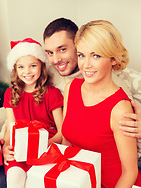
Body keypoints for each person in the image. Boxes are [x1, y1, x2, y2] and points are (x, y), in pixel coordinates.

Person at [17, 20, 141, 188]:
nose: (86, 65)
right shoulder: (71, 88)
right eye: (82, 55)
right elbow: (66, 140)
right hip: (80, 179)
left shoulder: (120, 108)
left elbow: (129, 172)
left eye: (96, 56)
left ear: (113, 59)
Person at [43, 17, 141, 163]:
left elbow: (130, 141)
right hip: (73, 157)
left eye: (62, 49)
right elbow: (20, 94)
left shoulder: (111, 84)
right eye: (50, 53)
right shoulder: (50, 74)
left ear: (77, 45)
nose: (55, 60)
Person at [2, 37, 63, 188]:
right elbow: (10, 129)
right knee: (14, 179)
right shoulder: (10, 94)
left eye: (32, 65)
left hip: (44, 151)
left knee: (32, 186)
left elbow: (62, 133)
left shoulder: (52, 94)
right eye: (21, 67)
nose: (27, 72)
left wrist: (42, 143)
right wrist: (6, 148)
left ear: (41, 66)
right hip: (19, 152)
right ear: (15, 70)